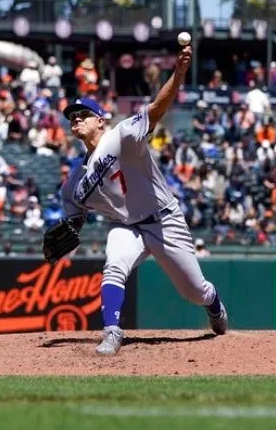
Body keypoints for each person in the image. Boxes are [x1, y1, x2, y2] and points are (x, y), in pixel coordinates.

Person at [58, 43, 227, 356]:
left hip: (164, 219)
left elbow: (157, 109)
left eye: (83, 114)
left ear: (100, 120)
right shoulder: (73, 184)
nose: (76, 119)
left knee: (193, 291)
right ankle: (111, 331)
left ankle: (213, 302)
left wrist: (177, 74)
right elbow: (73, 218)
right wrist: (68, 230)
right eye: (71, 116)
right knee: (113, 266)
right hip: (127, 226)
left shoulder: (122, 135)